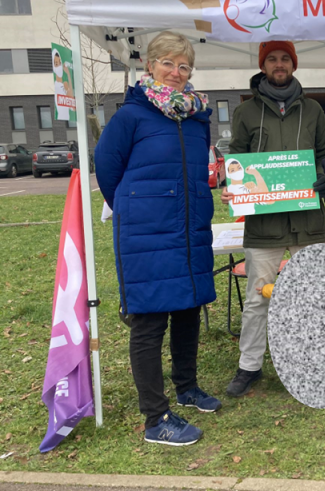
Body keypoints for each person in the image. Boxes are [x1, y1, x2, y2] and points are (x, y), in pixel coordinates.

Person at [95, 31, 219, 446]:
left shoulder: (196, 117)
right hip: (147, 232)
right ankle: (155, 417)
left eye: (184, 66)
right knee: (149, 320)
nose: (176, 72)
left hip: (189, 227)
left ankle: (187, 387)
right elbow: (107, 168)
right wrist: (137, 205)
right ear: (150, 66)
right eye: (168, 63)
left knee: (188, 309)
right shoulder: (132, 115)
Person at [221, 41, 325, 398]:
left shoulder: (312, 109)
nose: (279, 64)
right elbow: (236, 158)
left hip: (307, 220)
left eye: (285, 58)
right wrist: (233, 187)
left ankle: (310, 362)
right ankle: (249, 366)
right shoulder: (246, 111)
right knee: (257, 299)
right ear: (263, 65)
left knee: (311, 296)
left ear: (294, 64)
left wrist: (324, 177)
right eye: (272, 59)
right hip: (263, 225)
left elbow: (324, 156)